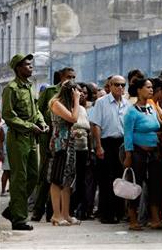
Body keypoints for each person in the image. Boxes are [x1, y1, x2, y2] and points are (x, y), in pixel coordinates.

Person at [1, 53, 49, 230]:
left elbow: (36, 111)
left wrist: (42, 123)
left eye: (31, 64)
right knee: (19, 178)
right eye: (27, 65)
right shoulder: (11, 88)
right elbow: (8, 115)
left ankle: (13, 209)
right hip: (17, 138)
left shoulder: (30, 87)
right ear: (18, 68)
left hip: (32, 138)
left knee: (34, 176)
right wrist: (30, 126)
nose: (31, 67)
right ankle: (19, 220)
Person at [32, 67, 76, 222]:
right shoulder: (51, 92)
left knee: (64, 177)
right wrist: (44, 126)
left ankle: (57, 213)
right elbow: (38, 112)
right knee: (47, 175)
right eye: (69, 76)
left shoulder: (71, 93)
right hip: (51, 138)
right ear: (61, 77)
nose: (71, 79)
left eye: (73, 76)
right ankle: (38, 210)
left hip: (67, 140)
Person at [123, 78, 162, 231]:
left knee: (155, 185)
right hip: (137, 152)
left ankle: (155, 219)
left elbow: (157, 125)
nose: (151, 90)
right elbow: (127, 135)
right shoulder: (131, 112)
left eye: (151, 87)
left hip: (154, 152)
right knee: (135, 185)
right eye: (147, 87)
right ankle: (133, 220)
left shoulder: (151, 108)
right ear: (139, 90)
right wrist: (128, 155)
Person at [89, 75, 129, 224]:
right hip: (106, 142)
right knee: (106, 179)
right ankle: (106, 213)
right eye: (117, 84)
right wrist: (98, 146)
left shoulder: (127, 104)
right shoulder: (101, 102)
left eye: (123, 85)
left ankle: (119, 212)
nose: (120, 87)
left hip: (122, 143)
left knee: (120, 178)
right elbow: (96, 125)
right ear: (110, 86)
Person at [48, 80, 82, 226]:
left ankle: (66, 214)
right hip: (59, 145)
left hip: (69, 144)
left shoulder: (68, 105)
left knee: (67, 179)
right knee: (57, 179)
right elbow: (74, 118)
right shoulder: (56, 103)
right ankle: (56, 215)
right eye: (76, 92)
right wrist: (77, 100)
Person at [70, 83, 93, 220]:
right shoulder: (67, 107)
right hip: (70, 149)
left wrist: (90, 150)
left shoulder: (84, 110)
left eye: (83, 92)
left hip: (83, 149)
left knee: (82, 181)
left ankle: (82, 210)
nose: (82, 94)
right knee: (69, 182)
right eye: (79, 92)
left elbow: (88, 131)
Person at [0, 112, 10, 196]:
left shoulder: (14, 127)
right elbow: (1, 142)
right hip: (6, 153)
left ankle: (11, 188)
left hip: (13, 153)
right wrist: (1, 153)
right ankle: (3, 190)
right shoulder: (3, 128)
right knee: (6, 172)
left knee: (12, 172)